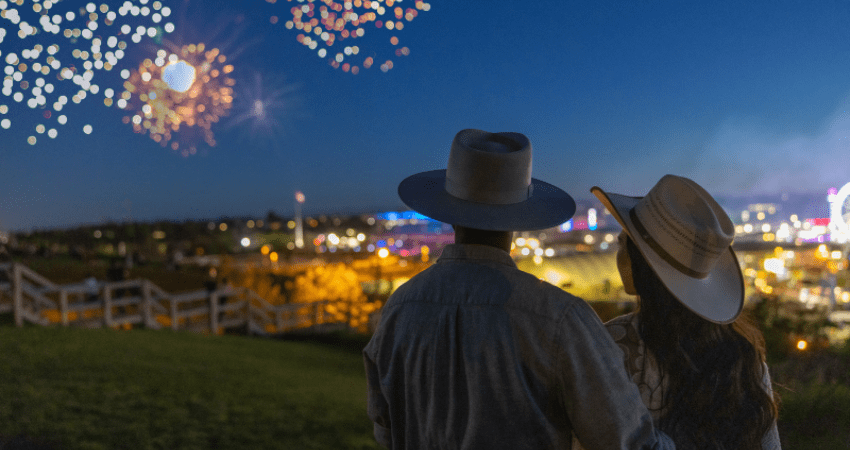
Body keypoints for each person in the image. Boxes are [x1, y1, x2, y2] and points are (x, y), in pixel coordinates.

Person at [363, 129, 676, 449]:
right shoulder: (558, 318)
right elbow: (625, 440)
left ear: (449, 212)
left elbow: (386, 430)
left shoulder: (398, 310)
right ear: (518, 218)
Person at [590, 175, 781, 449]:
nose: (617, 255)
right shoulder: (743, 357)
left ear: (643, 264)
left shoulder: (611, 346)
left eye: (622, 244)